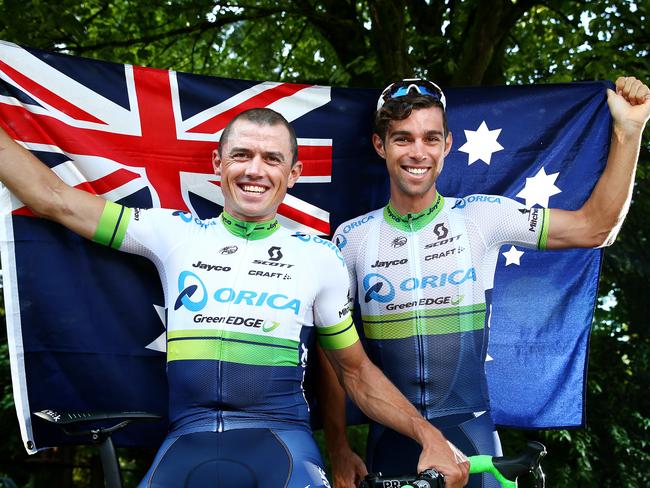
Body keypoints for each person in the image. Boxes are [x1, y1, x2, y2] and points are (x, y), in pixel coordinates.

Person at [0, 108, 470, 487]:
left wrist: (428, 435)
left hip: (283, 445)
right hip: (185, 441)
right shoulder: (170, 232)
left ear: (293, 173)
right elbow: (52, 198)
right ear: (218, 165)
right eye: (242, 155)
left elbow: (357, 372)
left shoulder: (318, 257)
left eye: (272, 159)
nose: (255, 170)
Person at [322, 76, 650, 487]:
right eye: (403, 139)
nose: (418, 152)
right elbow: (336, 357)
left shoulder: (481, 216)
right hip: (389, 444)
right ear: (380, 146)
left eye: (430, 138)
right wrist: (337, 447)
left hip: (472, 436)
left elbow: (595, 227)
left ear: (447, 144)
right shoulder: (350, 239)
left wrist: (628, 131)